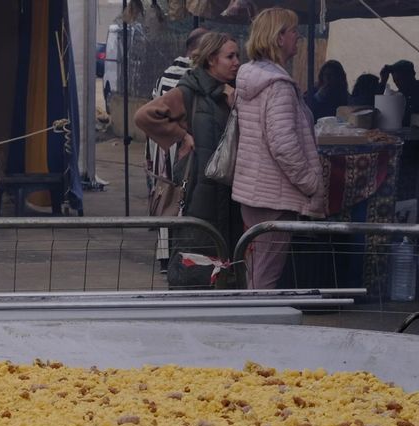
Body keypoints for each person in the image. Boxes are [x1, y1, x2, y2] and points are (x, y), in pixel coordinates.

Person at [232, 8, 326, 290]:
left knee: (255, 271)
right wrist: (311, 184)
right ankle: (260, 330)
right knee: (265, 277)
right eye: (293, 30)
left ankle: (252, 325)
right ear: (279, 37)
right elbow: (284, 146)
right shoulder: (279, 86)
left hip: (253, 191)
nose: (298, 36)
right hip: (274, 195)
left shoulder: (251, 78)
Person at [133, 31, 242, 268]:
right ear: (212, 59)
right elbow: (144, 116)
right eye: (230, 56)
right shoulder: (189, 91)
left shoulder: (231, 94)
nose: (237, 62)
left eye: (237, 56)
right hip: (197, 194)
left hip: (228, 195)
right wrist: (182, 135)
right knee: (198, 260)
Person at [145, 27, 208, 272]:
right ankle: (178, 255)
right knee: (181, 200)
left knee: (168, 200)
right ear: (197, 50)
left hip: (163, 151)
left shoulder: (166, 73)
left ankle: (166, 255)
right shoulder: (187, 74)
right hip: (180, 151)